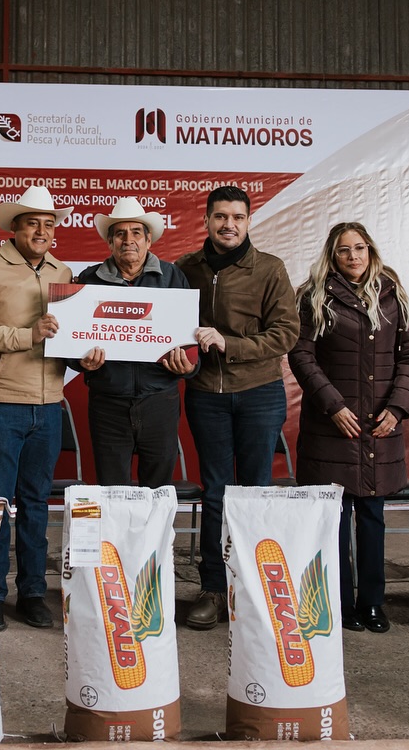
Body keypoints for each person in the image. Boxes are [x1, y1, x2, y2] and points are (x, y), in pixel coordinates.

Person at [174, 186, 299, 630]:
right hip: (206, 393)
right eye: (221, 216)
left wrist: (231, 344)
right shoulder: (185, 268)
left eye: (238, 217)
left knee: (255, 493)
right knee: (215, 492)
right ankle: (211, 588)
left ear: (249, 222)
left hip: (259, 392)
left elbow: (286, 333)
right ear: (206, 220)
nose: (230, 225)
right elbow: (169, 328)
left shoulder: (269, 268)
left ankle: (251, 588)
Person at [289, 222, 409, 634]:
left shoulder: (392, 293)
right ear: (332, 254)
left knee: (373, 514)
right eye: (344, 250)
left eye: (360, 248)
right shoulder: (313, 295)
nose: (353, 256)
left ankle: (373, 603)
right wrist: (333, 406)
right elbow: (301, 355)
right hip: (334, 425)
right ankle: (340, 603)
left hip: (381, 424)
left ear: (370, 250)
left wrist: (398, 408)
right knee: (335, 518)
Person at [0, 185, 73, 632]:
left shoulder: (63, 271)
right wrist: (29, 335)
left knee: (37, 503)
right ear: (15, 227)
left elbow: (71, 335)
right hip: (1, 400)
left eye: (48, 224)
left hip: (50, 402)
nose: (42, 231)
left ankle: (33, 593)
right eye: (32, 223)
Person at [72, 198, 197, 487]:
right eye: (120, 233)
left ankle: (153, 536)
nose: (129, 240)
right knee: (112, 491)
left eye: (136, 233)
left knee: (158, 492)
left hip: (160, 401)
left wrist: (186, 367)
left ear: (149, 239)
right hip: (108, 402)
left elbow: (191, 345)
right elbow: (70, 341)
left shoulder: (173, 277)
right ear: (110, 241)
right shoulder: (88, 280)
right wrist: (79, 361)